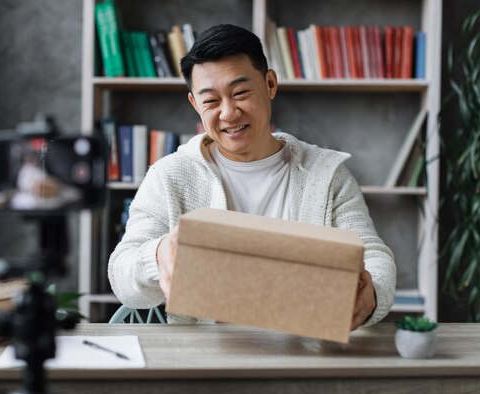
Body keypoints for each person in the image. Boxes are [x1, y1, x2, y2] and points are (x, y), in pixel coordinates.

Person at [108, 24, 396, 329]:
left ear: (270, 84)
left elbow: (372, 255)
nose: (229, 113)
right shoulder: (169, 176)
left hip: (305, 352)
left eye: (241, 93)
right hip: (205, 359)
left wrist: (371, 294)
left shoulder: (326, 175)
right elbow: (121, 272)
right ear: (195, 104)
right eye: (211, 101)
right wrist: (157, 256)